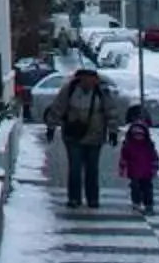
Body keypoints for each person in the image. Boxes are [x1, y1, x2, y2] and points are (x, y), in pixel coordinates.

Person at [48, 63, 115, 209]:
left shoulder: (102, 91)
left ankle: (92, 198)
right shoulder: (69, 90)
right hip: (73, 135)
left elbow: (111, 111)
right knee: (75, 168)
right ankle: (74, 198)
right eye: (85, 77)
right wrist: (51, 126)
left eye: (91, 77)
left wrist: (113, 131)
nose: (88, 81)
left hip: (95, 136)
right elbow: (58, 107)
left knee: (92, 168)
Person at [118, 108, 159, 215]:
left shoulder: (148, 147)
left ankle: (148, 205)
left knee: (147, 190)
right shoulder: (128, 146)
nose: (138, 137)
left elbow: (154, 157)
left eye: (141, 135)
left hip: (147, 172)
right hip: (134, 172)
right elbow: (124, 158)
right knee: (135, 188)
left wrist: (155, 167)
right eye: (136, 135)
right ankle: (136, 203)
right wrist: (122, 167)